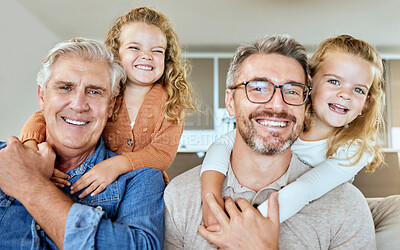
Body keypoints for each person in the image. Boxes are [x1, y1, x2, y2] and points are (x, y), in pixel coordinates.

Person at [163, 35, 376, 249]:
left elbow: (306, 189)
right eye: (258, 88)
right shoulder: (180, 197)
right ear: (230, 102)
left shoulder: (346, 203)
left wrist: (253, 236)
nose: (276, 105)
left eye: (291, 91)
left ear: (303, 100)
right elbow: (222, 144)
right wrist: (210, 197)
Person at [0, 38, 165, 249]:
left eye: (94, 91)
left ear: (111, 105)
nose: (78, 105)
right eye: (65, 87)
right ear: (42, 96)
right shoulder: (4, 158)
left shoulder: (140, 179)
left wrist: (32, 186)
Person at [19, 7, 195, 198]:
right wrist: (30, 150)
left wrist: (116, 165)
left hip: (141, 189)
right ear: (116, 52)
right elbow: (41, 117)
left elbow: (162, 153)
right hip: (90, 180)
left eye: (157, 51)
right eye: (134, 47)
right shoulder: (102, 92)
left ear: (167, 58)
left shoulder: (172, 101)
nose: (147, 55)